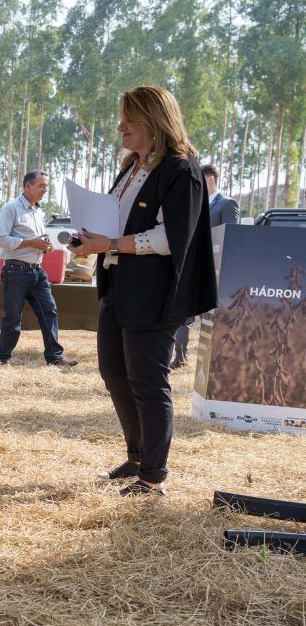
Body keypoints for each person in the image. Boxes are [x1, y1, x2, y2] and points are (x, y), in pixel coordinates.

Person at [73, 86, 217, 497]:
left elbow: (173, 238)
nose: (120, 126)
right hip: (118, 287)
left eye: (129, 118)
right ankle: (136, 457)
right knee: (115, 373)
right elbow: (119, 226)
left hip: (155, 296)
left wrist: (111, 245)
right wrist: (92, 240)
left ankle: (153, 477)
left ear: (154, 121)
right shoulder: (132, 167)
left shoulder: (180, 169)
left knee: (148, 382)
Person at [0, 171, 77, 369]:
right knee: (13, 317)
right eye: (41, 186)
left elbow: (38, 240)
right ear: (27, 186)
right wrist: (32, 243)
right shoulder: (10, 209)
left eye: (46, 186)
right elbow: (1, 240)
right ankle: (2, 359)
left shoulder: (38, 212)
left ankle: (55, 358)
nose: (45, 190)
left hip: (38, 272)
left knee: (49, 312)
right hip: (16, 271)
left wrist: (46, 245)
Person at [171, 162, 239, 368]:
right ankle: (180, 357)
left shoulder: (227, 204)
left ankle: (220, 359)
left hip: (214, 270)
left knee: (214, 318)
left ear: (210, 179)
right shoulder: (195, 203)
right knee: (184, 313)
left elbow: (231, 235)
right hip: (191, 268)